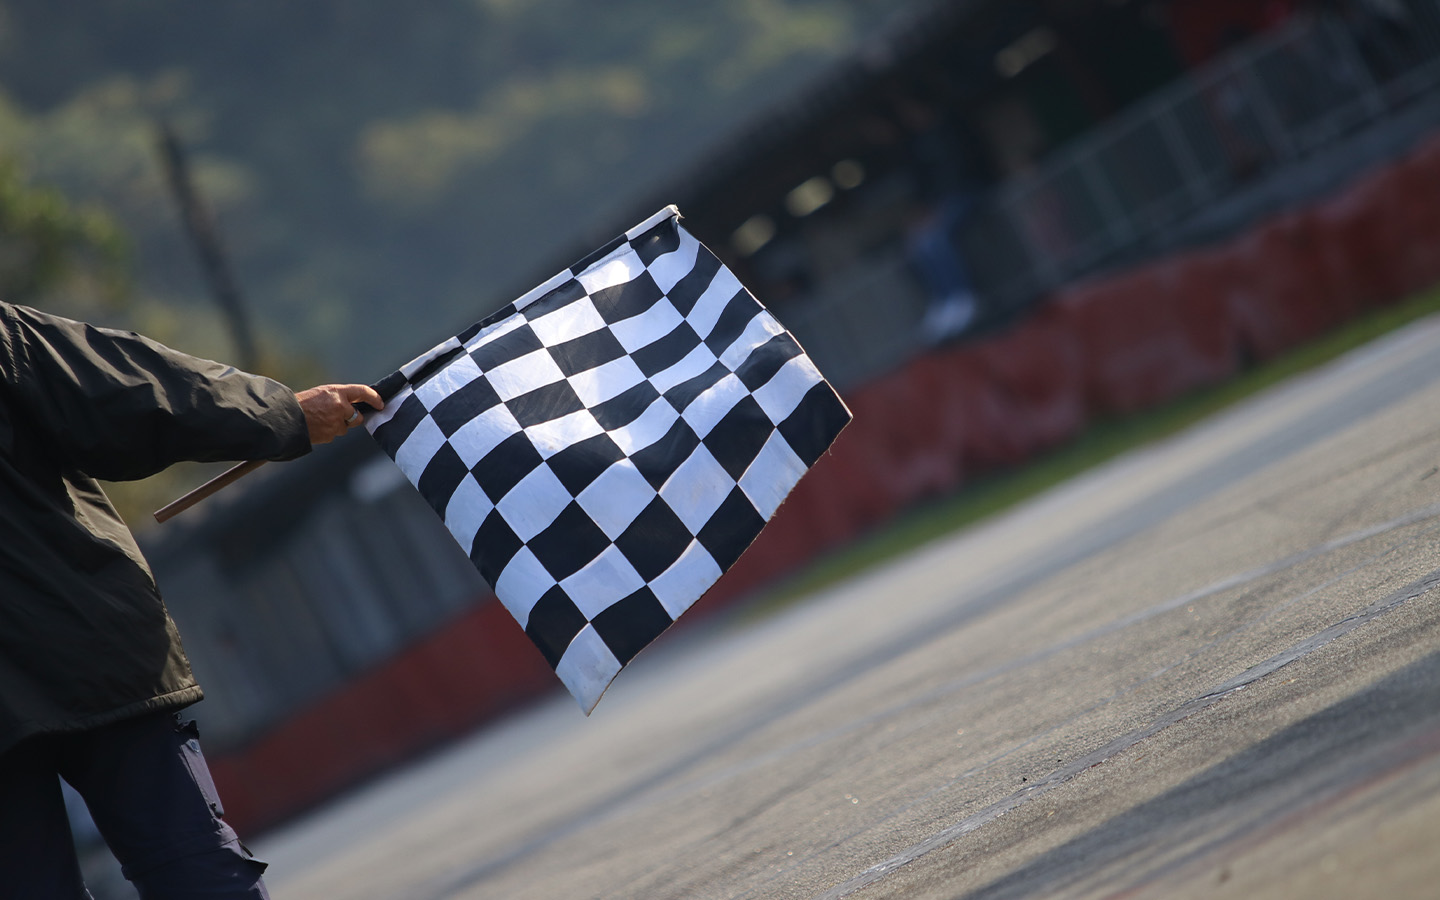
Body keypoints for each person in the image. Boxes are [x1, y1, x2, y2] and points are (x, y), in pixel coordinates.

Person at [0, 299, 383, 898]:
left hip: (82, 650)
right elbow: (129, 395)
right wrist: (282, 413)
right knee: (191, 867)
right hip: (84, 643)